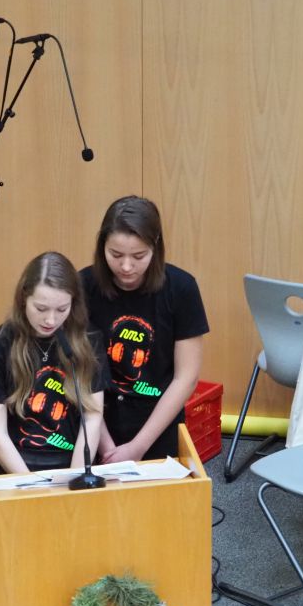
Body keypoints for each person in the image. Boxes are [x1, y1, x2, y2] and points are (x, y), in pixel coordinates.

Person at [81, 195, 209, 462]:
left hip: (156, 421)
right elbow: (77, 371)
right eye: (116, 255)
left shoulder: (182, 288)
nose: (126, 266)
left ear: (156, 247)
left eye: (138, 256)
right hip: (94, 418)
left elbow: (186, 377)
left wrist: (137, 447)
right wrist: (104, 444)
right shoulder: (83, 286)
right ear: (102, 246)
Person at [0, 251, 107, 473]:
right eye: (41, 309)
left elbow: (92, 417)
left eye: (62, 309)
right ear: (24, 298)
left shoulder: (89, 342)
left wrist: (75, 476)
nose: (51, 320)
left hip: (72, 463)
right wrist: (30, 484)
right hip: (16, 468)